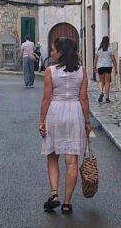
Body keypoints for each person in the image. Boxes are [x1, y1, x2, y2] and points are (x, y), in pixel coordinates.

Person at [39, 36, 90, 215]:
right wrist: (87, 121)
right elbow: (83, 98)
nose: (51, 53)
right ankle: (67, 203)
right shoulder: (82, 71)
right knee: (72, 160)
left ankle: (54, 195)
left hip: (55, 111)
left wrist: (41, 120)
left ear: (61, 53)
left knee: (52, 154)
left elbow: (46, 98)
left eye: (53, 50)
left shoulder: (50, 71)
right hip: (75, 113)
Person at [94, 35, 117, 103]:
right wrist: (116, 69)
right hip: (108, 66)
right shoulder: (110, 49)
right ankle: (107, 97)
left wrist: (94, 66)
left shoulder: (98, 49)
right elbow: (113, 60)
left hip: (100, 66)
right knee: (107, 82)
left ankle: (101, 92)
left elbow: (96, 59)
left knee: (101, 81)